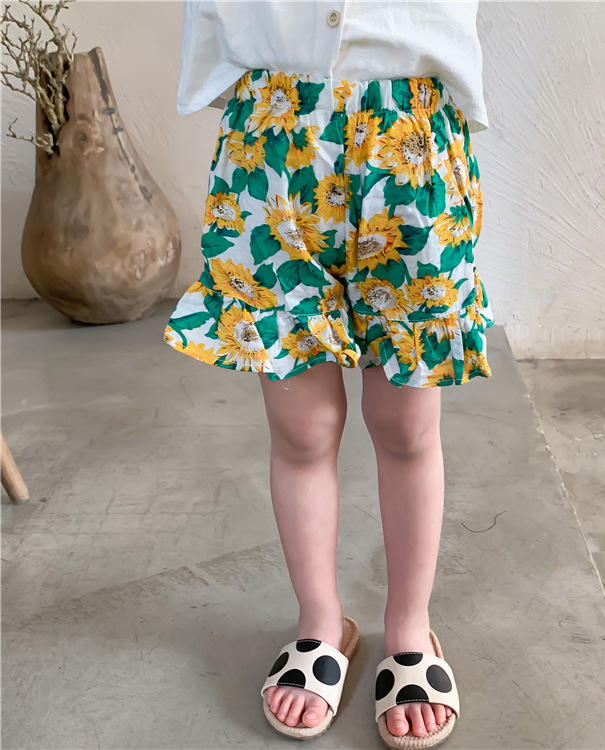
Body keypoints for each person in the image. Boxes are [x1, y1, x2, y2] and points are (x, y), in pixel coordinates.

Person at [165, 2, 495, 747]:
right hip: (273, 139)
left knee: (407, 425)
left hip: (410, 135)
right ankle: (320, 621)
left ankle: (410, 627)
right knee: (301, 427)